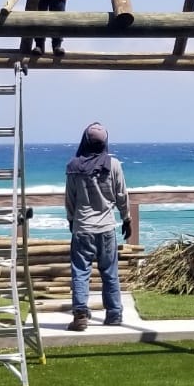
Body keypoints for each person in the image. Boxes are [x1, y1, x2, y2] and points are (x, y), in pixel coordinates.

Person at [65, 122, 129, 329]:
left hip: (82, 227)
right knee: (109, 272)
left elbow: (70, 199)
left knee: (80, 272)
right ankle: (114, 313)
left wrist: (71, 220)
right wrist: (126, 218)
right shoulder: (114, 165)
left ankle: (81, 314)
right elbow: (122, 195)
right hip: (106, 228)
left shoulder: (74, 167)